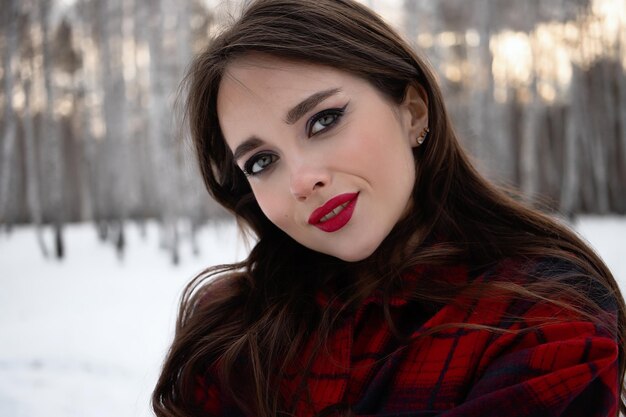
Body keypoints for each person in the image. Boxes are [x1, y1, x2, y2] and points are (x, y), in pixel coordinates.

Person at [152, 1, 625, 416]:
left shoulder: (543, 313)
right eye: (261, 161)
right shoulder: (230, 332)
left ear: (413, 111)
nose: (301, 181)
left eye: (324, 120)